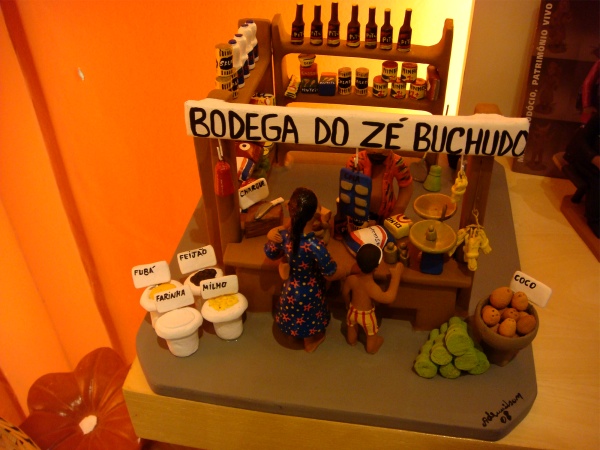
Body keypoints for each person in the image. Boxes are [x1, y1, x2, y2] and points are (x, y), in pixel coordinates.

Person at [264, 188, 344, 352]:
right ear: (314, 215)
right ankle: (310, 341)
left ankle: (293, 334)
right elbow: (330, 271)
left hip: (291, 288)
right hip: (310, 290)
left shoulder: (285, 236)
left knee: (293, 313)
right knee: (309, 316)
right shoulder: (314, 245)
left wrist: (274, 237)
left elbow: (270, 252)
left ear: (289, 209)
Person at [342, 243, 403, 354]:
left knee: (351, 327)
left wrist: (347, 304)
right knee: (371, 335)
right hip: (367, 316)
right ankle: (372, 348)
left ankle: (352, 341)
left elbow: (345, 292)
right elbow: (388, 298)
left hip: (352, 311)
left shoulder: (351, 279)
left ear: (358, 263)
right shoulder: (372, 287)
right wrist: (396, 277)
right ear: (376, 267)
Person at [345, 148, 413, 225]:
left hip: (387, 213)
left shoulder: (398, 163)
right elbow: (347, 186)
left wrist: (395, 215)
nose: (377, 151)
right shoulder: (356, 160)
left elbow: (407, 187)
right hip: (360, 213)